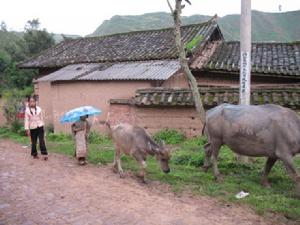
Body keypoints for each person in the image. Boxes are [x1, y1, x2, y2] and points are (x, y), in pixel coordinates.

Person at [24, 95, 48, 160]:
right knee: (33, 142)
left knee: (41, 141)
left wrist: (43, 126)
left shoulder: (39, 109)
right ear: (29, 102)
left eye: (33, 101)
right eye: (31, 101)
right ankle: (34, 154)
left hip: (40, 126)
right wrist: (27, 129)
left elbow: (42, 118)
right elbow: (26, 120)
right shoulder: (27, 110)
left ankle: (44, 154)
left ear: (35, 102)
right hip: (32, 127)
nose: (32, 103)